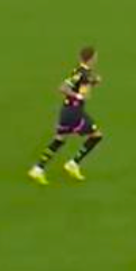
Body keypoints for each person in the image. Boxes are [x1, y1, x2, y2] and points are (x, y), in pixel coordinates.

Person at [27, 45, 105, 185]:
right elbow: (63, 87)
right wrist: (77, 96)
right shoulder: (82, 73)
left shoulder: (81, 72)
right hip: (74, 112)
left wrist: (93, 83)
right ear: (91, 59)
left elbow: (81, 89)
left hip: (67, 110)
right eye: (95, 57)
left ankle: (38, 168)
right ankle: (73, 164)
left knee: (59, 140)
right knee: (96, 135)